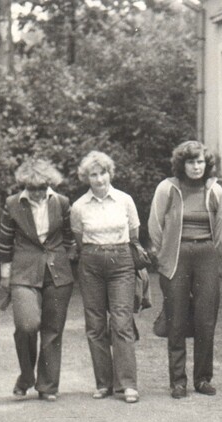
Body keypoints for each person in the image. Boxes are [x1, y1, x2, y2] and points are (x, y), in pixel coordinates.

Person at [148, 141, 222, 399]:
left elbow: (219, 228)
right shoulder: (167, 188)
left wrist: (205, 250)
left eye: (200, 162)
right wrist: (164, 255)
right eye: (191, 162)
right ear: (182, 164)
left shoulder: (215, 190)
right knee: (177, 319)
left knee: (205, 319)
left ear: (207, 164)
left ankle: (203, 378)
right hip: (176, 256)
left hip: (205, 254)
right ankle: (177, 381)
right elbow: (155, 226)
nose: (196, 167)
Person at [0, 158, 76, 402]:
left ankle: (47, 386)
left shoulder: (61, 203)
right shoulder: (12, 204)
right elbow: (4, 242)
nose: (38, 194)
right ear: (25, 186)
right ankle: (26, 375)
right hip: (23, 271)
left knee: (52, 331)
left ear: (49, 185)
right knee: (26, 325)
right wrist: (5, 275)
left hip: (57, 271)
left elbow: (69, 237)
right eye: (32, 190)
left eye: (42, 189)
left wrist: (68, 261)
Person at [71, 151, 140, 404]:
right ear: (86, 177)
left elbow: (134, 234)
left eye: (103, 173)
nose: (99, 179)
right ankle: (104, 383)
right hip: (91, 263)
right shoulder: (79, 206)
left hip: (121, 261)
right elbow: (79, 239)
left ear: (110, 173)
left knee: (122, 322)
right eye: (93, 174)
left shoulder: (125, 200)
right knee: (95, 324)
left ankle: (127, 385)